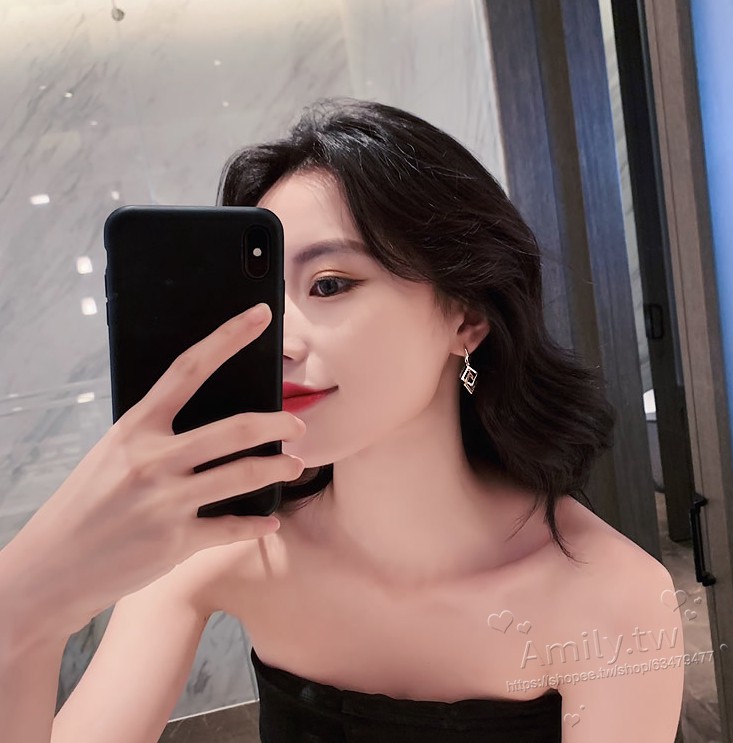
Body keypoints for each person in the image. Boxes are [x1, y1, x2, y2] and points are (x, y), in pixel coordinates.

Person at [0, 98, 684, 743]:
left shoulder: (608, 596)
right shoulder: (222, 543)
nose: (278, 340)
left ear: (467, 316)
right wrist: (27, 601)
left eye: (329, 284)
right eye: (265, 297)